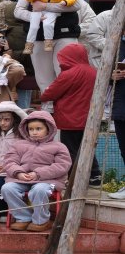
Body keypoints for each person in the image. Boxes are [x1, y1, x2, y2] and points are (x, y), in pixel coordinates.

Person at [13, 0, 83, 99]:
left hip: (65, 34)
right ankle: (48, 107)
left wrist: (46, 7)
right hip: (38, 37)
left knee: (66, 73)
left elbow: (76, 4)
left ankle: (67, 106)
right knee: (43, 76)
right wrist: (36, 16)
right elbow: (18, 11)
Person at [38, 43, 101, 186]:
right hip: (89, 118)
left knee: (70, 150)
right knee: (86, 147)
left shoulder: (69, 74)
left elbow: (49, 93)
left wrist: (44, 94)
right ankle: (95, 175)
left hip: (70, 119)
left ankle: (74, 179)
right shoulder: (94, 71)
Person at [0, 111, 71, 232]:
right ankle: (23, 217)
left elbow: (62, 166)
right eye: (31, 129)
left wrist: (38, 174)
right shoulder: (19, 145)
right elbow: (9, 161)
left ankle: (41, 221)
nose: (34, 132)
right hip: (21, 178)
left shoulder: (59, 146)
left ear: (48, 129)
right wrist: (19, 173)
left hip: (47, 180)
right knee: (7, 188)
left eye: (39, 128)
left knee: (39, 190)